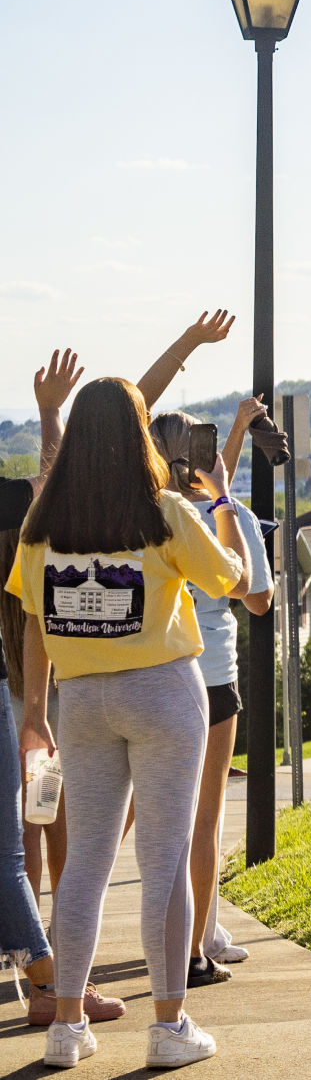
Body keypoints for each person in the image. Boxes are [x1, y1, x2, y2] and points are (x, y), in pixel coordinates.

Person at [11, 377, 246, 1069]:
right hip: (164, 695)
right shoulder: (162, 511)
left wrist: (33, 713)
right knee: (163, 858)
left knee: (83, 860)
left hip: (79, 701)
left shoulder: (45, 525)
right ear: (137, 436)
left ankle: (68, 1023)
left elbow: (31, 619)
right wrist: (224, 497)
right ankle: (169, 1023)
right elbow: (230, 577)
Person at [0, 351, 126, 1032]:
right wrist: (51, 413)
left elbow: (53, 487)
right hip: (33, 700)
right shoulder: (27, 508)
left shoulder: (21, 503)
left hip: (33, 698)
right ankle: (52, 981)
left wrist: (52, 413)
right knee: (34, 845)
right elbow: (56, 492)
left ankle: (52, 971)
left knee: (38, 841)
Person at [147, 403, 274, 985]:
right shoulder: (232, 517)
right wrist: (227, 500)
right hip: (213, 677)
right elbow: (257, 601)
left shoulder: (143, 516)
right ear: (200, 457)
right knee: (205, 821)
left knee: (132, 821)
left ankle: (68, 944)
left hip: (148, 672)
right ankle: (194, 952)